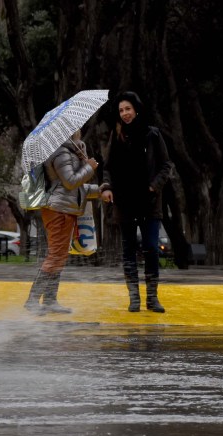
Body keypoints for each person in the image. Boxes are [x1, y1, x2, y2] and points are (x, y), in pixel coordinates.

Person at [100, 91, 173, 313]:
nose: (125, 114)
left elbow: (166, 165)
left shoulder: (152, 134)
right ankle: (134, 298)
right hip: (125, 202)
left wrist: (154, 186)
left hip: (149, 202)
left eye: (128, 109)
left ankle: (152, 298)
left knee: (151, 247)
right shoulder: (117, 135)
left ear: (136, 109)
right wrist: (107, 187)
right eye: (121, 110)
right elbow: (108, 167)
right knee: (128, 250)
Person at [24, 130, 100, 314]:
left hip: (64, 209)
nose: (79, 129)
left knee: (59, 256)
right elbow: (70, 182)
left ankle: (50, 300)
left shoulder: (72, 150)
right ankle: (33, 301)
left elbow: (76, 189)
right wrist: (89, 167)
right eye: (76, 127)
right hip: (57, 211)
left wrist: (100, 190)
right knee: (55, 256)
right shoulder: (60, 151)